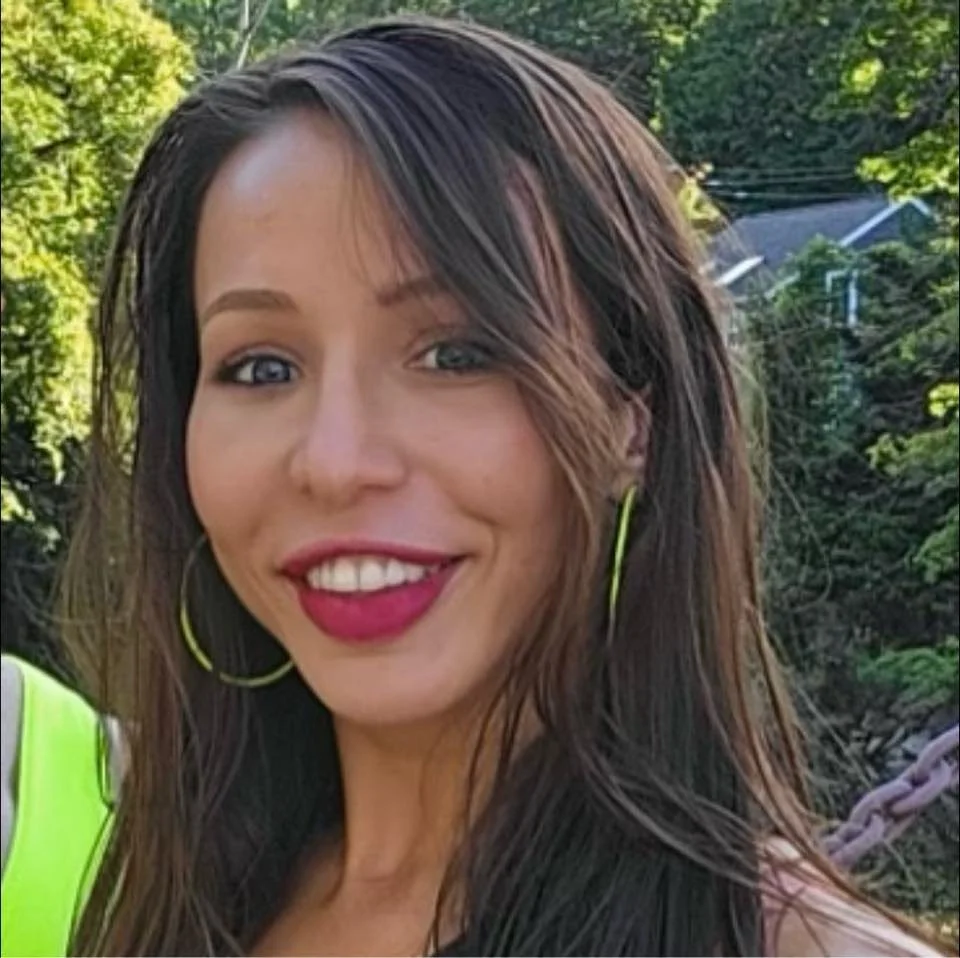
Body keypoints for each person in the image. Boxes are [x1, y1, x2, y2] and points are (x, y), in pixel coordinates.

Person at [0, 15, 948, 958]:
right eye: (261, 367)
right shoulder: (158, 903)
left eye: (455, 354)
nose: (334, 461)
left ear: (632, 419)